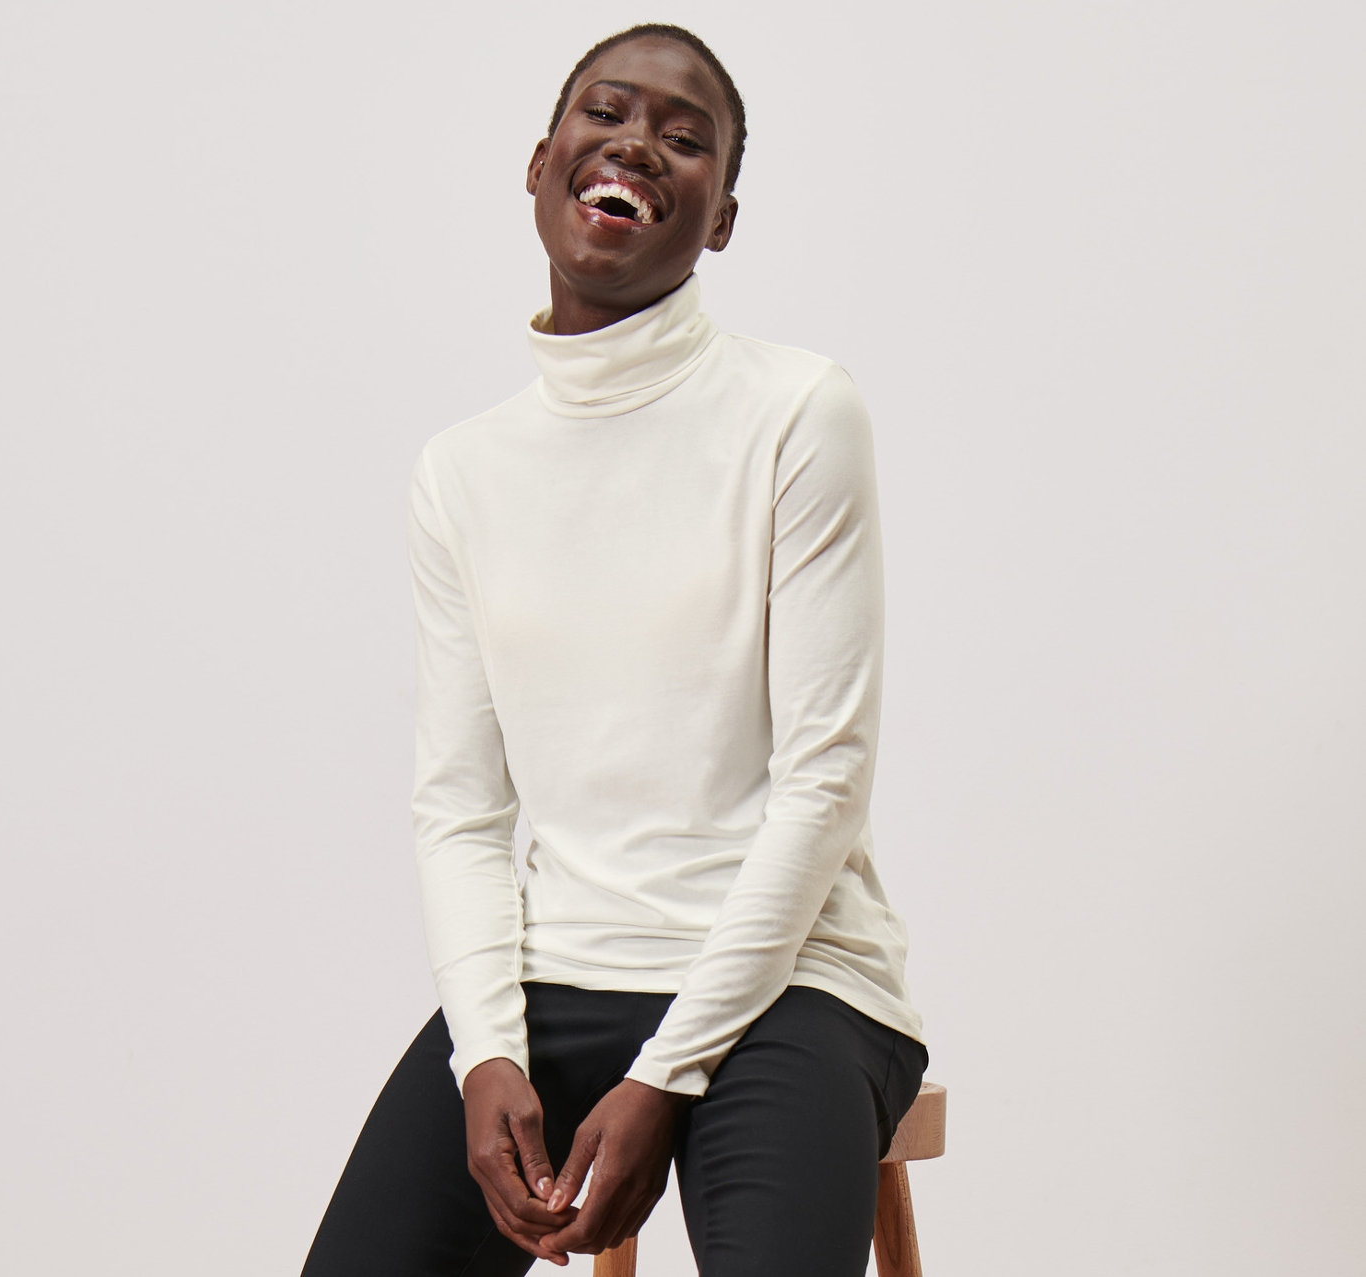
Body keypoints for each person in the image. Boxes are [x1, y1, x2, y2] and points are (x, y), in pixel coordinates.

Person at [300, 23, 928, 1277]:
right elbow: (464, 811)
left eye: (687, 137)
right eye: (607, 112)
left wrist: (668, 1072)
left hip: (794, 985)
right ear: (541, 164)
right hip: (556, 980)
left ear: (723, 217)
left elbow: (823, 781)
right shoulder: (463, 473)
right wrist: (485, 1047)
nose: (638, 141)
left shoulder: (798, 412)